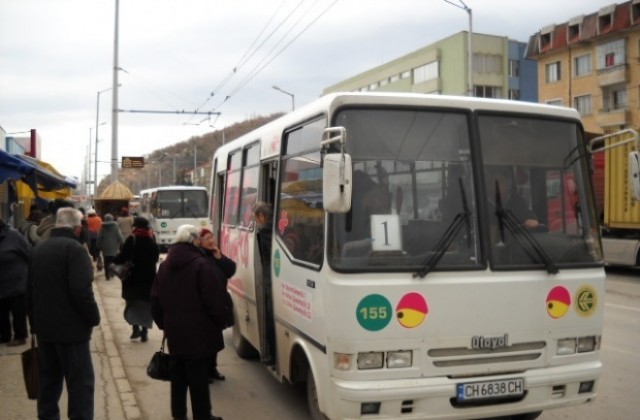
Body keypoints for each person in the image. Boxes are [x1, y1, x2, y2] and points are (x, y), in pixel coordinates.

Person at [27, 207, 100, 420]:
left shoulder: (38, 249)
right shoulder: (75, 250)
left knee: (48, 383)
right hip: (72, 333)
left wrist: (34, 323)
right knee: (80, 386)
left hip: (45, 330)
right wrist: (93, 318)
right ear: (77, 228)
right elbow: (81, 291)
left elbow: (29, 291)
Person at [152, 225, 226, 420]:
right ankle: (203, 416)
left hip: (175, 333)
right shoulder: (201, 265)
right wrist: (218, 322)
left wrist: (165, 325)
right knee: (198, 379)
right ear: (194, 240)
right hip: (200, 334)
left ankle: (179, 415)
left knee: (178, 379)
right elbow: (214, 300)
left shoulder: (165, 266)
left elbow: (155, 301)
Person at [198, 228, 236, 382]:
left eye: (212, 238)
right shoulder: (198, 256)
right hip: (203, 305)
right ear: (199, 241)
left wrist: (220, 257)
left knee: (215, 338)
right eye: (207, 239)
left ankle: (212, 368)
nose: (211, 241)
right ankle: (204, 371)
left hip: (219, 303)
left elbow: (230, 270)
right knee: (204, 341)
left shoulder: (215, 255)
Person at [113, 216, 159, 342]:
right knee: (145, 306)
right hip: (148, 280)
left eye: (133, 225)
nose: (132, 227)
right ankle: (144, 332)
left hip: (132, 279)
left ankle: (135, 329)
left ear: (137, 227)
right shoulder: (152, 241)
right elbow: (155, 258)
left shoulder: (131, 239)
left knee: (132, 304)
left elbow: (122, 257)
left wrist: (113, 259)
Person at [0, 217, 30, 346]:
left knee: (18, 312)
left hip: (16, 282)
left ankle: (20, 336)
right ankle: (4, 336)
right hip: (1, 283)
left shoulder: (14, 236)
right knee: (1, 312)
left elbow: (28, 254)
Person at [253, 201, 275, 364]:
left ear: (261, 216)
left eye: (256, 219)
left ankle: (272, 354)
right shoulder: (281, 224)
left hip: (271, 278)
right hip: (274, 277)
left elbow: (267, 258)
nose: (257, 223)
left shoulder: (266, 232)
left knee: (270, 314)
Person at [97, 213, 124, 281]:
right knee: (113, 261)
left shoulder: (102, 227)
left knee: (106, 261)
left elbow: (99, 237)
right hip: (114, 248)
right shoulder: (116, 227)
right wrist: (123, 243)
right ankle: (112, 273)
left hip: (105, 248)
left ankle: (107, 275)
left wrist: (98, 245)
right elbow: (120, 237)